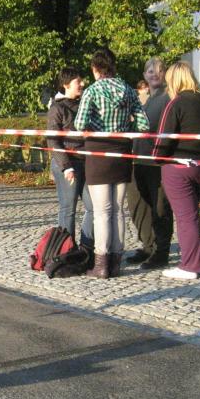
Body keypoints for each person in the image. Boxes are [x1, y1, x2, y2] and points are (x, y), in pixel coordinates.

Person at [74, 49, 150, 279]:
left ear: (95, 69)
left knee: (101, 212)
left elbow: (79, 124)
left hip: (98, 154)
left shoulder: (92, 91)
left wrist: (96, 127)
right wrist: (125, 128)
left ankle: (101, 264)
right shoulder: (128, 90)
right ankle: (116, 263)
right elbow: (144, 125)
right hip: (122, 153)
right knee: (117, 210)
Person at [152, 62, 200, 279]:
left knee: (185, 217)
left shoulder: (176, 103)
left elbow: (164, 136)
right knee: (191, 215)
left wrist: (157, 158)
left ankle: (191, 265)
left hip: (179, 167)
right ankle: (193, 260)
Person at [125, 57, 174, 270]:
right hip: (139, 160)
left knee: (160, 208)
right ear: (144, 75)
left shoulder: (168, 98)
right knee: (138, 206)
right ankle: (148, 245)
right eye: (150, 71)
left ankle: (161, 251)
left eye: (159, 71)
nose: (154, 75)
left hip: (157, 163)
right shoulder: (145, 101)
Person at [47, 67, 94, 250]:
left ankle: (86, 248)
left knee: (93, 207)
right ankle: (67, 250)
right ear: (66, 85)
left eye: (82, 80)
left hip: (86, 161)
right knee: (68, 209)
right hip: (67, 163)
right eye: (78, 81)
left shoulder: (85, 104)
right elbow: (53, 140)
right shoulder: (57, 108)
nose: (82, 84)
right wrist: (66, 166)